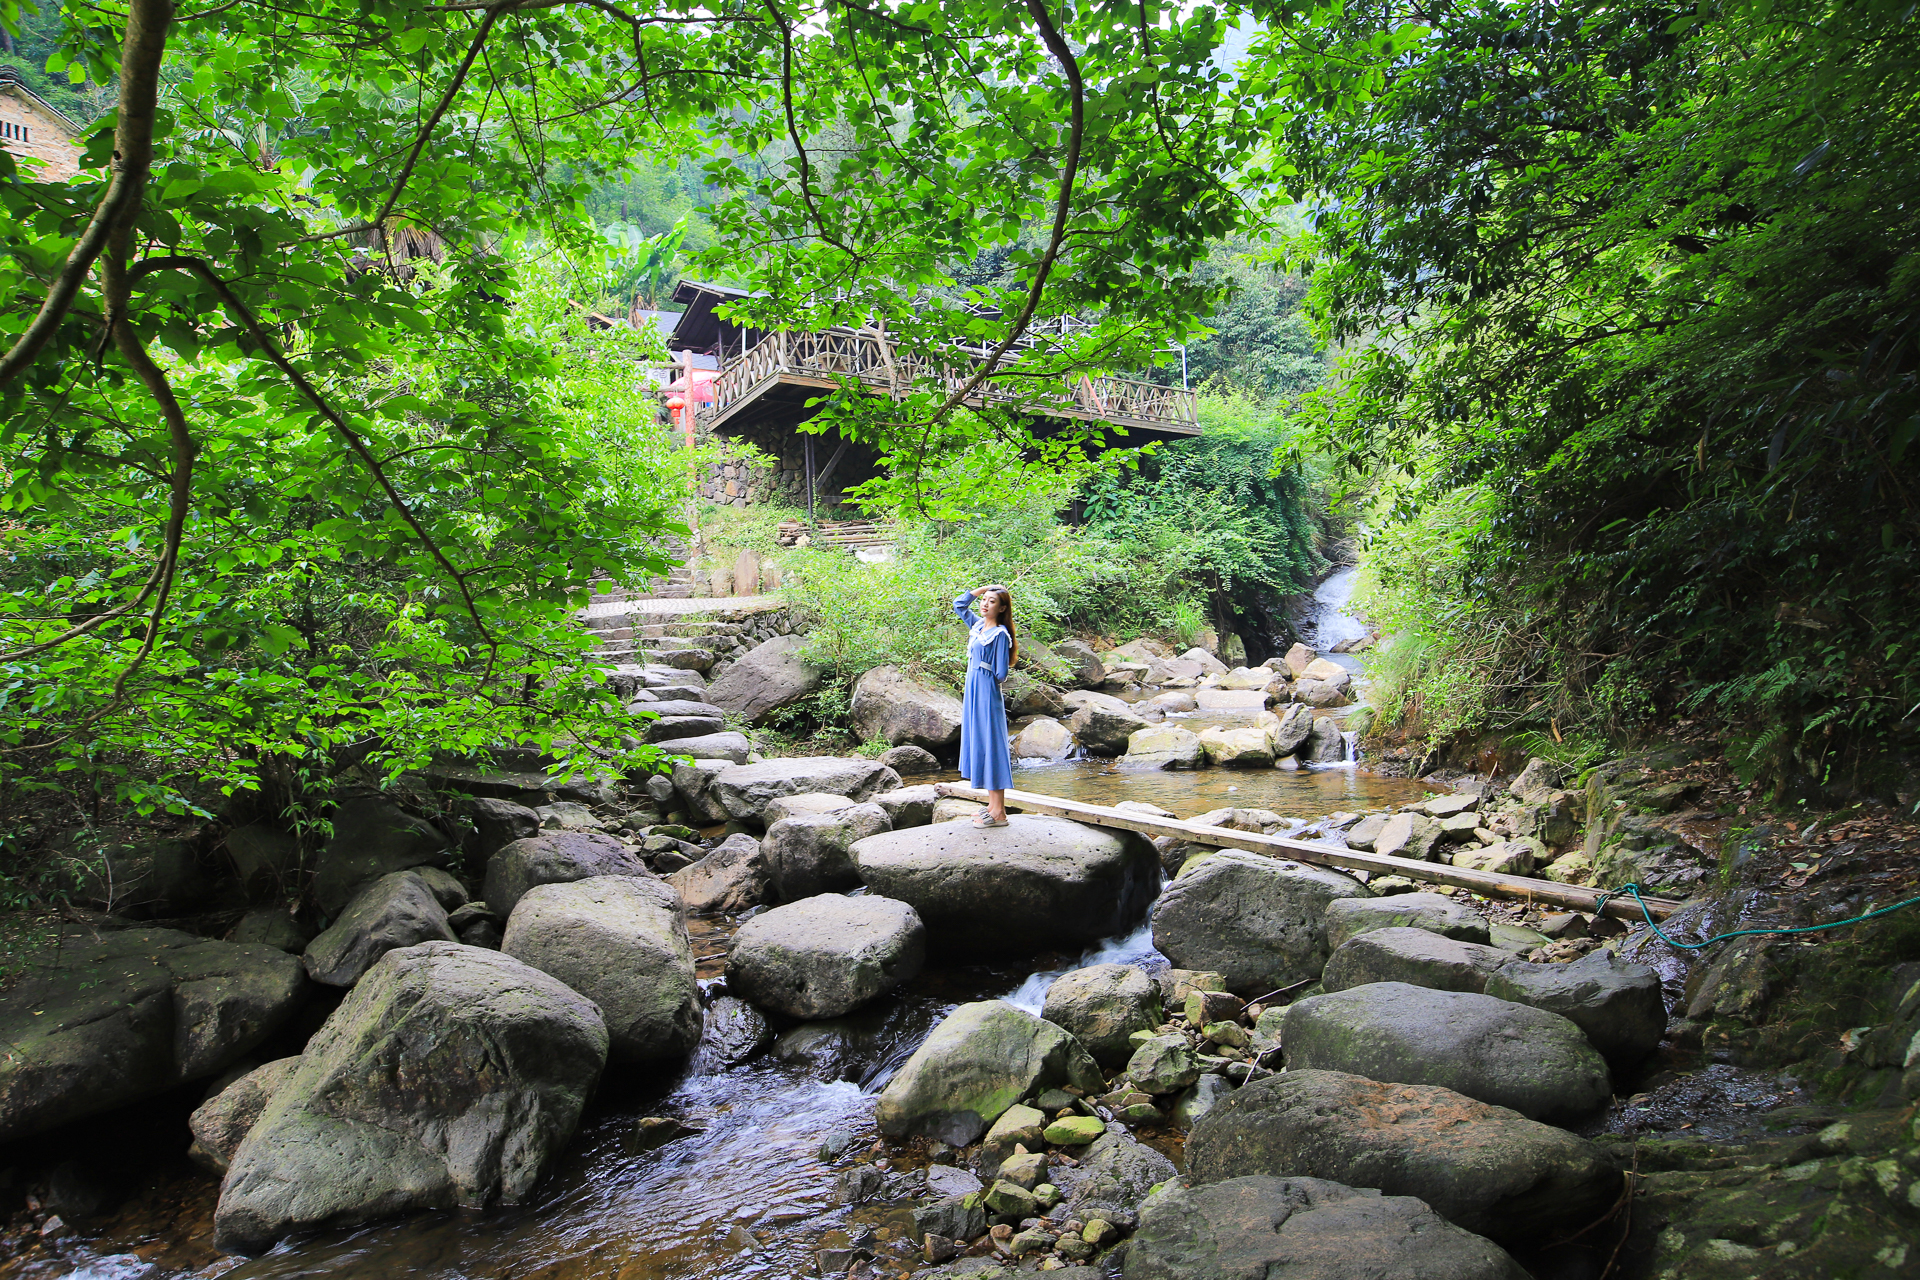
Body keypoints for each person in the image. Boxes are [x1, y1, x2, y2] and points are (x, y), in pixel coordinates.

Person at [953, 583, 1016, 827]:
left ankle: (999, 812)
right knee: (979, 741)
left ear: (1002, 609)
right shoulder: (978, 625)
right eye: (984, 600)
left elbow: (1001, 673)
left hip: (987, 691)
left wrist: (982, 668)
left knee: (992, 744)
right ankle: (992, 805)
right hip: (973, 689)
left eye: (991, 601)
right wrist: (981, 589)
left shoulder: (1000, 634)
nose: (985, 604)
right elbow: (959, 605)